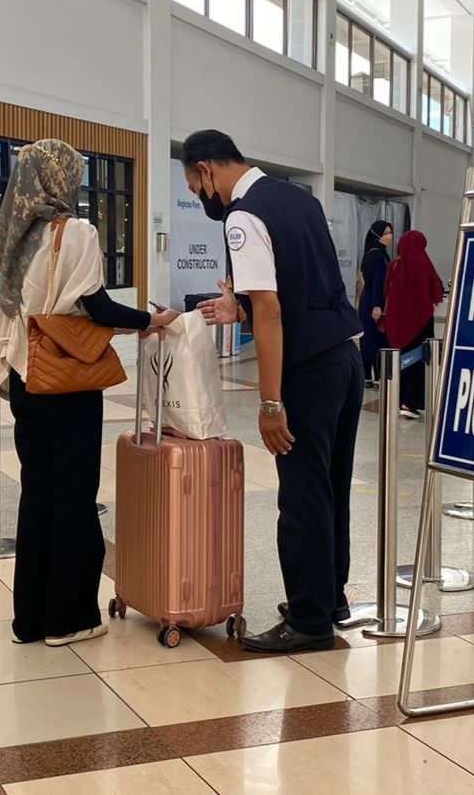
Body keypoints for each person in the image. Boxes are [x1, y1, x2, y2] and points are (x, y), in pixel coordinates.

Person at [0, 139, 175, 646]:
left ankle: (28, 621)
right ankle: (68, 619)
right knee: (74, 497)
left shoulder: (10, 235)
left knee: (38, 496)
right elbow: (94, 304)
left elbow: (8, 312)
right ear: (60, 178)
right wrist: (149, 320)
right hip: (67, 382)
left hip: (27, 380)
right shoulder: (76, 232)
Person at [187, 130, 362, 653]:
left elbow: (272, 310)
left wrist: (269, 403)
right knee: (331, 486)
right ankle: (329, 598)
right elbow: (296, 286)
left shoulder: (244, 215)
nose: (200, 197)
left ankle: (309, 622)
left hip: (307, 371)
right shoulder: (298, 199)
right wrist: (236, 306)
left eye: (195, 186)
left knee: (303, 495)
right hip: (345, 360)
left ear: (207, 172)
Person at [382, 230, 444, 420]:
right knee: (417, 360)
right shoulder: (424, 263)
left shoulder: (394, 265)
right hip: (420, 323)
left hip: (397, 323)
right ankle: (410, 402)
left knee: (399, 360)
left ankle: (398, 399)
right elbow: (437, 290)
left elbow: (386, 292)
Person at [357, 221, 393, 387]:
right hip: (373, 302)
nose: (390, 236)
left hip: (368, 301)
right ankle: (376, 376)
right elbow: (378, 282)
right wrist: (377, 305)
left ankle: (369, 376)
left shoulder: (373, 253)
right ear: (377, 235)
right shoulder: (377, 255)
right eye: (386, 233)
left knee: (370, 339)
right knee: (376, 340)